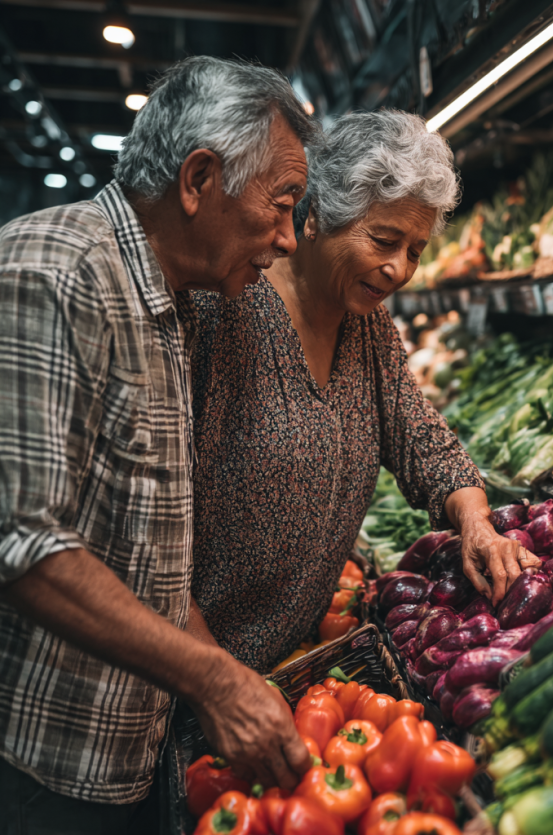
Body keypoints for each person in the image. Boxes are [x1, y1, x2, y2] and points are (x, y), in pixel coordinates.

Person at [0, 57, 317, 832]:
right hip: (43, 768)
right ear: (198, 178)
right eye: (280, 205)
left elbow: (145, 556)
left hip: (129, 757)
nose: (286, 237)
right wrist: (212, 680)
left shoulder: (168, 304)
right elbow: (23, 539)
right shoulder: (54, 270)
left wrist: (232, 677)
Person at [189, 110, 536, 674]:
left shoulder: (367, 326)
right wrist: (213, 680)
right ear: (319, 217)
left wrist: (476, 521)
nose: (399, 269)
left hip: (289, 662)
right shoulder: (225, 306)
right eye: (384, 239)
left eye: (417, 250)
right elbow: (154, 536)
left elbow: (421, 438)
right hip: (188, 668)